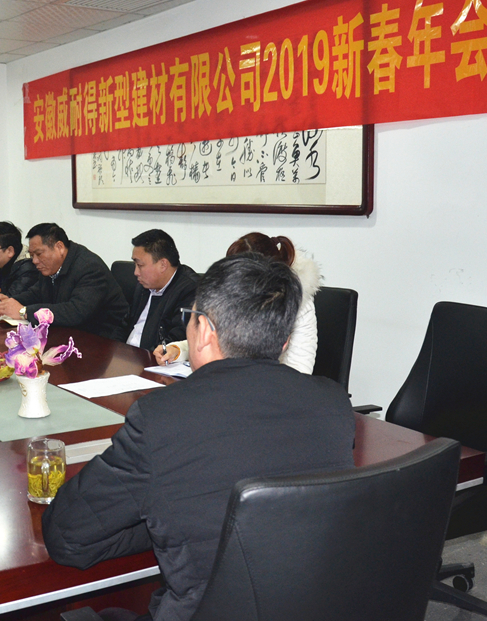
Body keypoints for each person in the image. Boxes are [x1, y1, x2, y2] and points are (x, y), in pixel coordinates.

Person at [42, 253, 355, 621]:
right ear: (285, 340)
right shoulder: (333, 403)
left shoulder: (161, 418)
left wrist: (164, 523)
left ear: (203, 331)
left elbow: (67, 537)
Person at [154, 232, 320, 373]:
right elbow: (218, 340)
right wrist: (178, 350)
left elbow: (299, 370)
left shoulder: (300, 306)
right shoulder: (232, 294)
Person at [0, 223, 129, 341]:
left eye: (39, 254)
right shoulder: (50, 266)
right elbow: (36, 293)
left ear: (59, 247)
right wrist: (8, 303)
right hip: (70, 334)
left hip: (104, 341)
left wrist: (23, 311)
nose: (35, 261)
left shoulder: (89, 267)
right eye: (32, 255)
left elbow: (75, 311)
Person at [123, 229, 198, 350]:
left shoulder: (190, 290)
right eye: (135, 265)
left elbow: (176, 341)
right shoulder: (144, 284)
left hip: (152, 358)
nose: (136, 272)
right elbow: (123, 325)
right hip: (127, 354)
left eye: (140, 265)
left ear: (163, 265)